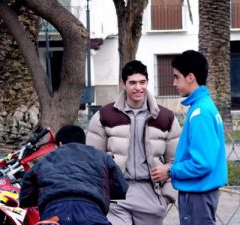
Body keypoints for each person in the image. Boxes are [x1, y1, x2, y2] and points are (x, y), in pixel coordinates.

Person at [86, 60, 181, 225]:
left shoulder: (166, 118)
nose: (138, 88)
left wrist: (166, 197)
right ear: (123, 84)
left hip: (151, 196)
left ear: (148, 83)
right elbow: (92, 161)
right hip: (117, 196)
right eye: (133, 83)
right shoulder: (103, 116)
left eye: (142, 82)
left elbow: (177, 160)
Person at [151, 50, 228, 225]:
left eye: (177, 77)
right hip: (200, 192)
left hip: (198, 194)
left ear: (190, 77)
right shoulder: (203, 107)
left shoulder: (200, 113)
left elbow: (203, 162)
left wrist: (170, 171)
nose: (174, 83)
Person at [19, 125, 128, 225]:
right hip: (92, 213)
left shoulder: (45, 160)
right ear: (83, 142)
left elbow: (25, 197)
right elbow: (121, 188)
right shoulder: (102, 157)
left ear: (60, 144)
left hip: (54, 213)